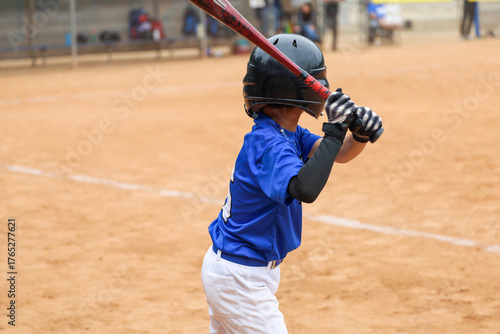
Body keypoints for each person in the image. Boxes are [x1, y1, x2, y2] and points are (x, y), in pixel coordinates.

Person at [201, 33, 383, 333]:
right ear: (297, 91)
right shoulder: (270, 143)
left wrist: (358, 135)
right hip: (241, 277)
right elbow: (305, 188)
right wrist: (335, 129)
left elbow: (337, 155)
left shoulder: (285, 133)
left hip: (239, 271)